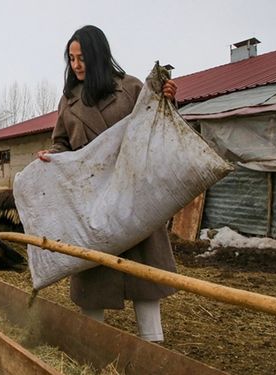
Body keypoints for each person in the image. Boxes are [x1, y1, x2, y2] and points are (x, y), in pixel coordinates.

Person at [37, 25, 178, 342]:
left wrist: (168, 101)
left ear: (98, 54)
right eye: (71, 59)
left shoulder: (130, 88)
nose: (76, 65)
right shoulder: (69, 101)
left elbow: (154, 125)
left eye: (82, 57)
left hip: (135, 198)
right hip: (93, 206)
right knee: (93, 280)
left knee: (145, 281)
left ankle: (152, 348)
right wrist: (52, 155)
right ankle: (93, 350)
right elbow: (62, 143)